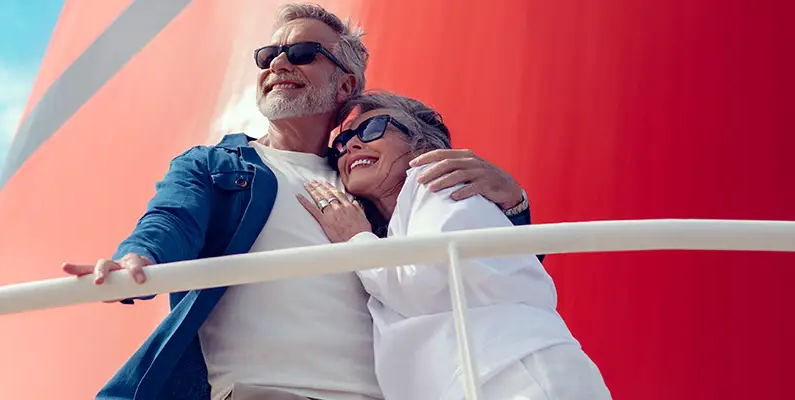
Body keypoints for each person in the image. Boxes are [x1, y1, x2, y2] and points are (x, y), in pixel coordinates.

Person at [60, 4, 537, 400]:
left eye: (303, 53)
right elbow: (171, 219)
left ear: (347, 84)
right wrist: (140, 259)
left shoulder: (369, 180)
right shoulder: (216, 165)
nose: (278, 64)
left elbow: (483, 273)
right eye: (269, 54)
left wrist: (514, 206)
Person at [301, 90, 611, 399]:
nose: (352, 145)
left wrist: (356, 240)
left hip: (515, 376)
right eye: (341, 144)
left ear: (420, 143)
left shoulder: (436, 179)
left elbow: (426, 283)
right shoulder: (398, 226)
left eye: (372, 129)